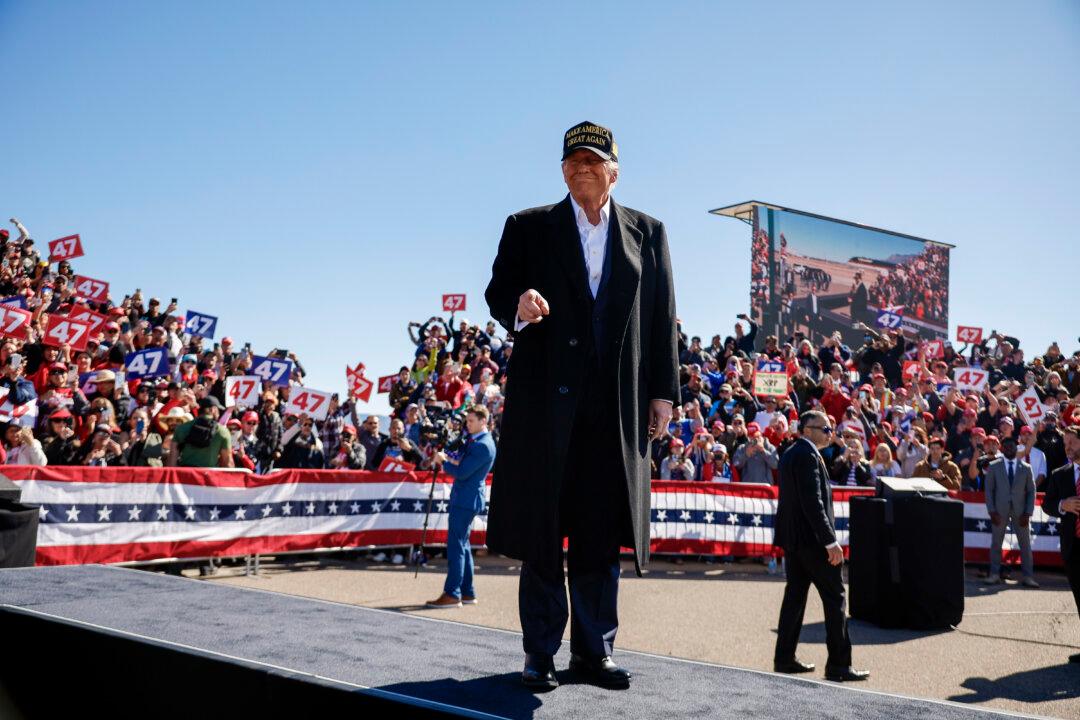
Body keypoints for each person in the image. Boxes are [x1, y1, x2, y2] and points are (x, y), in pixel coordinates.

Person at [483, 121, 678, 690]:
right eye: (573, 161)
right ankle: (539, 653)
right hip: (546, 406)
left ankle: (594, 652)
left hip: (615, 409)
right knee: (544, 531)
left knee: (598, 533)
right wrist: (517, 303)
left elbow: (662, 316)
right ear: (561, 169)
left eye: (593, 161)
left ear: (614, 169)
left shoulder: (649, 231)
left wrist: (663, 392)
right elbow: (498, 291)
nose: (582, 168)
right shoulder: (527, 227)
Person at [774, 410, 868, 682]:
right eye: (825, 429)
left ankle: (784, 658)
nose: (831, 433)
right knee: (835, 597)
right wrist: (830, 540)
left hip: (795, 541)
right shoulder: (806, 455)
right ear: (807, 429)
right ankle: (839, 665)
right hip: (813, 543)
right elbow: (812, 502)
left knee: (794, 598)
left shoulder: (793, 453)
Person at [426, 404, 497, 608]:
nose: (468, 424)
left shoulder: (483, 444)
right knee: (463, 545)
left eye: (471, 421)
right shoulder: (479, 441)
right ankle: (467, 592)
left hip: (466, 498)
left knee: (456, 546)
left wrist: (442, 462)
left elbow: (462, 472)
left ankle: (452, 593)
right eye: (467, 421)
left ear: (483, 421)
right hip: (467, 497)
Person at [1040, 425, 1080, 664]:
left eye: (1073, 443)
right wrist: (1062, 505)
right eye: (1065, 444)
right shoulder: (1059, 474)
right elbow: (1047, 504)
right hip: (1073, 546)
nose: (1068, 448)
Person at [983, 437, 1037, 587]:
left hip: (1021, 513)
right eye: (1005, 446)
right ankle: (994, 574)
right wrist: (992, 511)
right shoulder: (993, 466)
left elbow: (1031, 491)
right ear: (1002, 448)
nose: (1008, 448)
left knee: (1025, 545)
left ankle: (1028, 576)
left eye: (1011, 445)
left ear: (1017, 447)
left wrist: (1028, 512)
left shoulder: (1026, 467)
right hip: (999, 512)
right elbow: (989, 490)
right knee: (996, 543)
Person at [168, 396, 232, 468]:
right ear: (212, 409)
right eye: (218, 410)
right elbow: (228, 463)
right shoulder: (222, 431)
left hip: (185, 477)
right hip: (209, 477)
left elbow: (172, 462)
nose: (219, 414)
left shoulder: (181, 429)